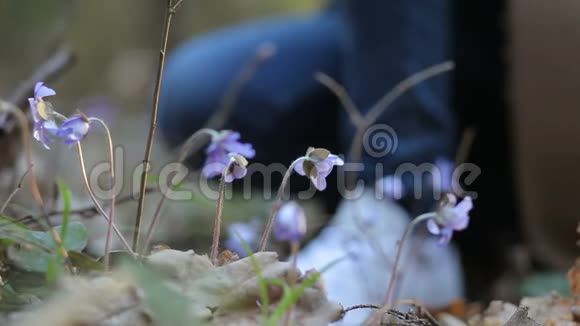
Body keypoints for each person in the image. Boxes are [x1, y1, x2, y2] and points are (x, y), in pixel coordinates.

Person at [158, 1, 486, 324]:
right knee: (193, 91)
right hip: (393, 34)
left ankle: (397, 221)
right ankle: (369, 210)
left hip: (510, 54)